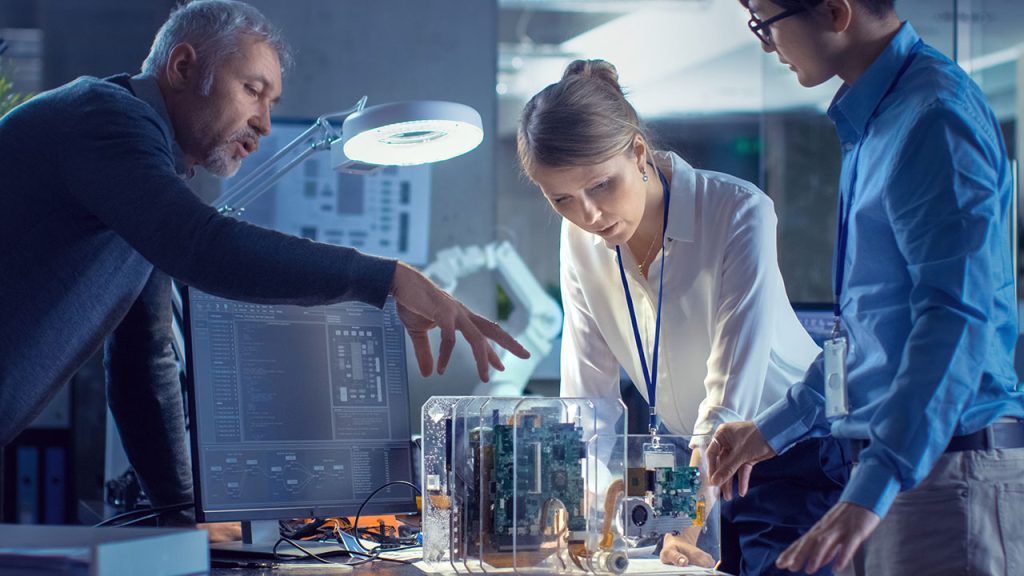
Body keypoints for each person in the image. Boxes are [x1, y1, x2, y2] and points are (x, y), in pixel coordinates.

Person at [0, 0, 527, 535]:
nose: (266, 123)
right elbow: (201, 247)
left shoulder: (143, 178)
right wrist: (390, 278)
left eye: (272, 101)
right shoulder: (104, 119)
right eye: (253, 90)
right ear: (183, 68)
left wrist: (185, 519)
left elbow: (145, 362)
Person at [706, 1, 1024, 574]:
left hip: (941, 474)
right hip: (893, 471)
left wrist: (871, 488)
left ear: (834, 11)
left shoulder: (934, 118)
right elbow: (864, 336)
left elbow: (955, 321)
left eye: (764, 20)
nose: (763, 43)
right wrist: (773, 429)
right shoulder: (876, 120)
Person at [517, 59, 851, 575]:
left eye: (602, 186)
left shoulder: (738, 211)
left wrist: (685, 528)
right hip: (688, 466)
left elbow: (727, 402)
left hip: (791, 453)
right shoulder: (580, 238)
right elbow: (587, 398)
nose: (588, 215)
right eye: (561, 199)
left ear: (637, 152)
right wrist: (586, 526)